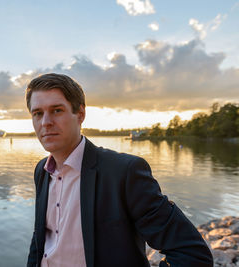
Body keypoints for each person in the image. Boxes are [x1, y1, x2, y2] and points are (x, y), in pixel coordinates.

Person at [25, 73, 213, 267]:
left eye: (56, 110)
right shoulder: (42, 170)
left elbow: (192, 253)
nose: (45, 122)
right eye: (37, 113)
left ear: (80, 114)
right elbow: (40, 239)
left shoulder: (123, 172)